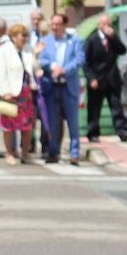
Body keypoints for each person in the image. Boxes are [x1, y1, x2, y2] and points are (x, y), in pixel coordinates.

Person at [35, 13, 85, 165]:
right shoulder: (46, 41)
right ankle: (53, 151)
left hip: (68, 86)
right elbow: (42, 59)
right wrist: (53, 67)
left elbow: (79, 59)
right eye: (53, 24)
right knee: (52, 122)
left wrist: (64, 70)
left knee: (72, 122)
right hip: (51, 86)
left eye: (57, 24)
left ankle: (74, 153)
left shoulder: (75, 40)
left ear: (65, 25)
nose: (54, 27)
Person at [0, 20, 38, 166]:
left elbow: (33, 68)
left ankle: (25, 153)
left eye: (26, 35)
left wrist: (36, 55)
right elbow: (0, 71)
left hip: (26, 93)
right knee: (9, 126)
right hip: (11, 93)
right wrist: (5, 91)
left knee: (27, 126)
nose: (25, 38)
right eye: (22, 35)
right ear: (14, 36)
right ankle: (10, 152)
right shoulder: (4, 50)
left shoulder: (28, 49)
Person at [85, 14, 127, 144]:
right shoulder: (92, 40)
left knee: (117, 107)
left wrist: (113, 37)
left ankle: (122, 131)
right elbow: (86, 63)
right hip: (97, 79)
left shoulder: (112, 39)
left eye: (109, 24)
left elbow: (123, 50)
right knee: (94, 109)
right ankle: (93, 133)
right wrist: (91, 78)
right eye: (104, 24)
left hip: (112, 79)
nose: (107, 27)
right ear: (99, 25)